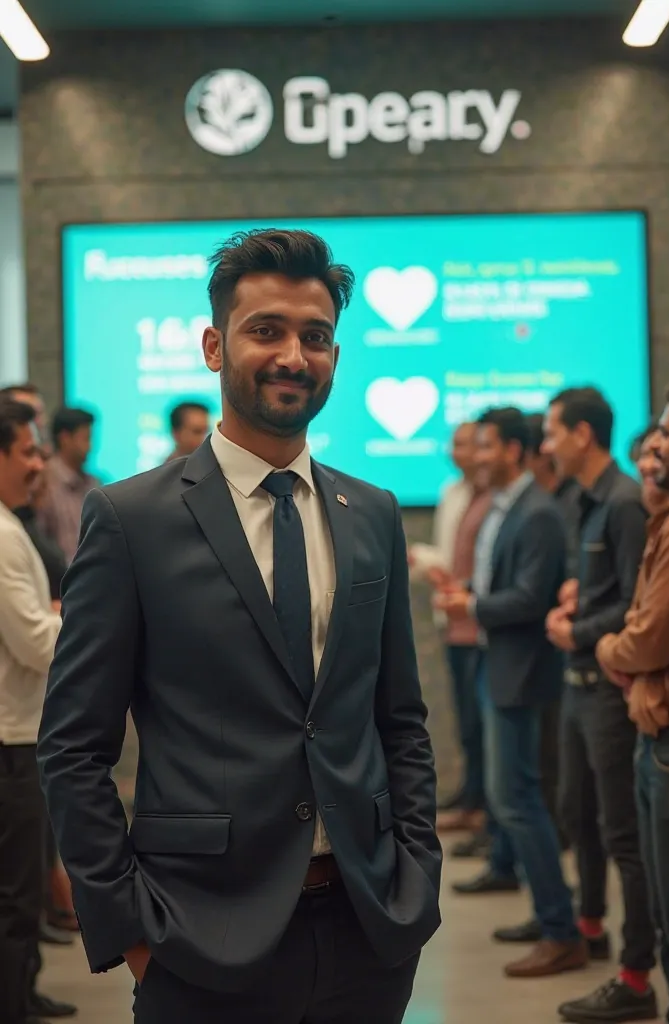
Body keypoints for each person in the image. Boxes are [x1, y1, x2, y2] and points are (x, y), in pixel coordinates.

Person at [37, 228, 442, 1024]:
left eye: (316, 336)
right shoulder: (131, 519)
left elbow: (399, 719)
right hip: (198, 941)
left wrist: (416, 880)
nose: (294, 354)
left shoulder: (373, 516)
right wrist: (131, 932)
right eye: (267, 330)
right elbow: (74, 746)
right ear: (215, 344)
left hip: (369, 931)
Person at [435, 407, 586, 978]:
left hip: (519, 673)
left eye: (488, 446)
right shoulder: (509, 506)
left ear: (517, 452)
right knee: (511, 798)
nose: (476, 456)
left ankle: (560, 929)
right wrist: (468, 593)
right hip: (496, 663)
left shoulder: (538, 513)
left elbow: (528, 599)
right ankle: (550, 917)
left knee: (518, 800)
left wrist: (469, 605)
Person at [543, 388, 657, 1024]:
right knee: (576, 813)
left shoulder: (621, 502)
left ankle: (637, 975)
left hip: (609, 693)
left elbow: (639, 604)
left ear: (583, 435)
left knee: (622, 836)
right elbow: (600, 590)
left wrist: (577, 628)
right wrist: (572, 603)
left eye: (555, 432)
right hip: (576, 685)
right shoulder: (584, 502)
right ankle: (591, 928)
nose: (548, 445)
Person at [597, 382, 669, 1024]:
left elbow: (648, 641)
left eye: (667, 431)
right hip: (664, 742)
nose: (654, 443)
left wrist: (606, 647)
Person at [0, 398, 64, 1024]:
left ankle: (22, 992)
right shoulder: (0, 533)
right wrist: (76, 619)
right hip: (11, 738)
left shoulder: (11, 523)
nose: (37, 463)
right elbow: (36, 643)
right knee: (17, 894)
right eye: (26, 451)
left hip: (22, 731)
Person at [410, 421, 491, 837]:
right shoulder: (454, 493)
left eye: (469, 443)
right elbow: (450, 556)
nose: (459, 450)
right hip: (454, 619)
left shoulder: (492, 497)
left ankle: (483, 809)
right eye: (456, 442)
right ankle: (472, 796)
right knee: (465, 718)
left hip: (483, 623)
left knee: (483, 724)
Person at [38, 407, 99, 564]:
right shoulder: (43, 483)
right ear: (65, 438)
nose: (90, 447)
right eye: (85, 439)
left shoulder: (94, 484)